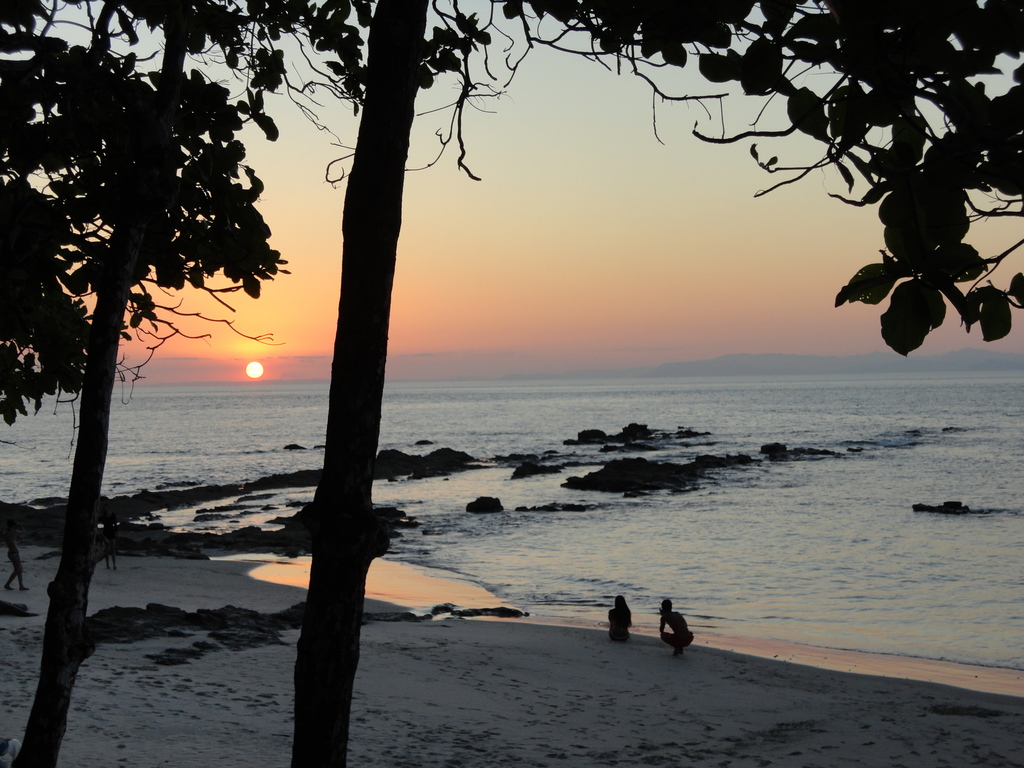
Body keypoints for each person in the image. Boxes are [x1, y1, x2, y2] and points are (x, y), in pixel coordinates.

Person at [4, 520, 27, 591]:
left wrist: (14, 527)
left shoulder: (5, 532)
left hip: (11, 553)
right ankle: (7, 584)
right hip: (14, 553)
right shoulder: (13, 532)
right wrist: (20, 525)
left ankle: (21, 586)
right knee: (17, 570)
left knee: (19, 569)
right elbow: (23, 531)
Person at [99, 503, 119, 570]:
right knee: (107, 550)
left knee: (113, 549)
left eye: (106, 507)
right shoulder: (103, 516)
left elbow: (115, 524)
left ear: (108, 508)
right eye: (104, 508)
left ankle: (114, 564)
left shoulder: (113, 515)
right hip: (105, 533)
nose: (105, 509)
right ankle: (107, 564)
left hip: (112, 532)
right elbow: (96, 520)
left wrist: (116, 532)